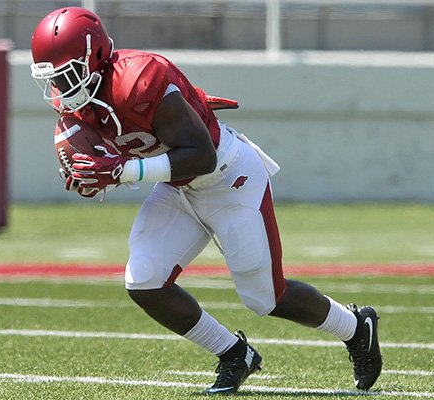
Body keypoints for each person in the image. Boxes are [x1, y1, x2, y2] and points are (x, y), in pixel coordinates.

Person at [30, 6, 382, 395]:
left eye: (66, 74)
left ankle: (355, 327)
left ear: (94, 57)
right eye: (52, 79)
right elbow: (111, 161)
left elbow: (201, 155)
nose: (60, 87)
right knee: (143, 278)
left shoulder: (140, 78)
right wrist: (90, 176)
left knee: (265, 297)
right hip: (180, 188)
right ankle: (234, 354)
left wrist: (121, 171)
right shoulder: (76, 107)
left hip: (229, 177)